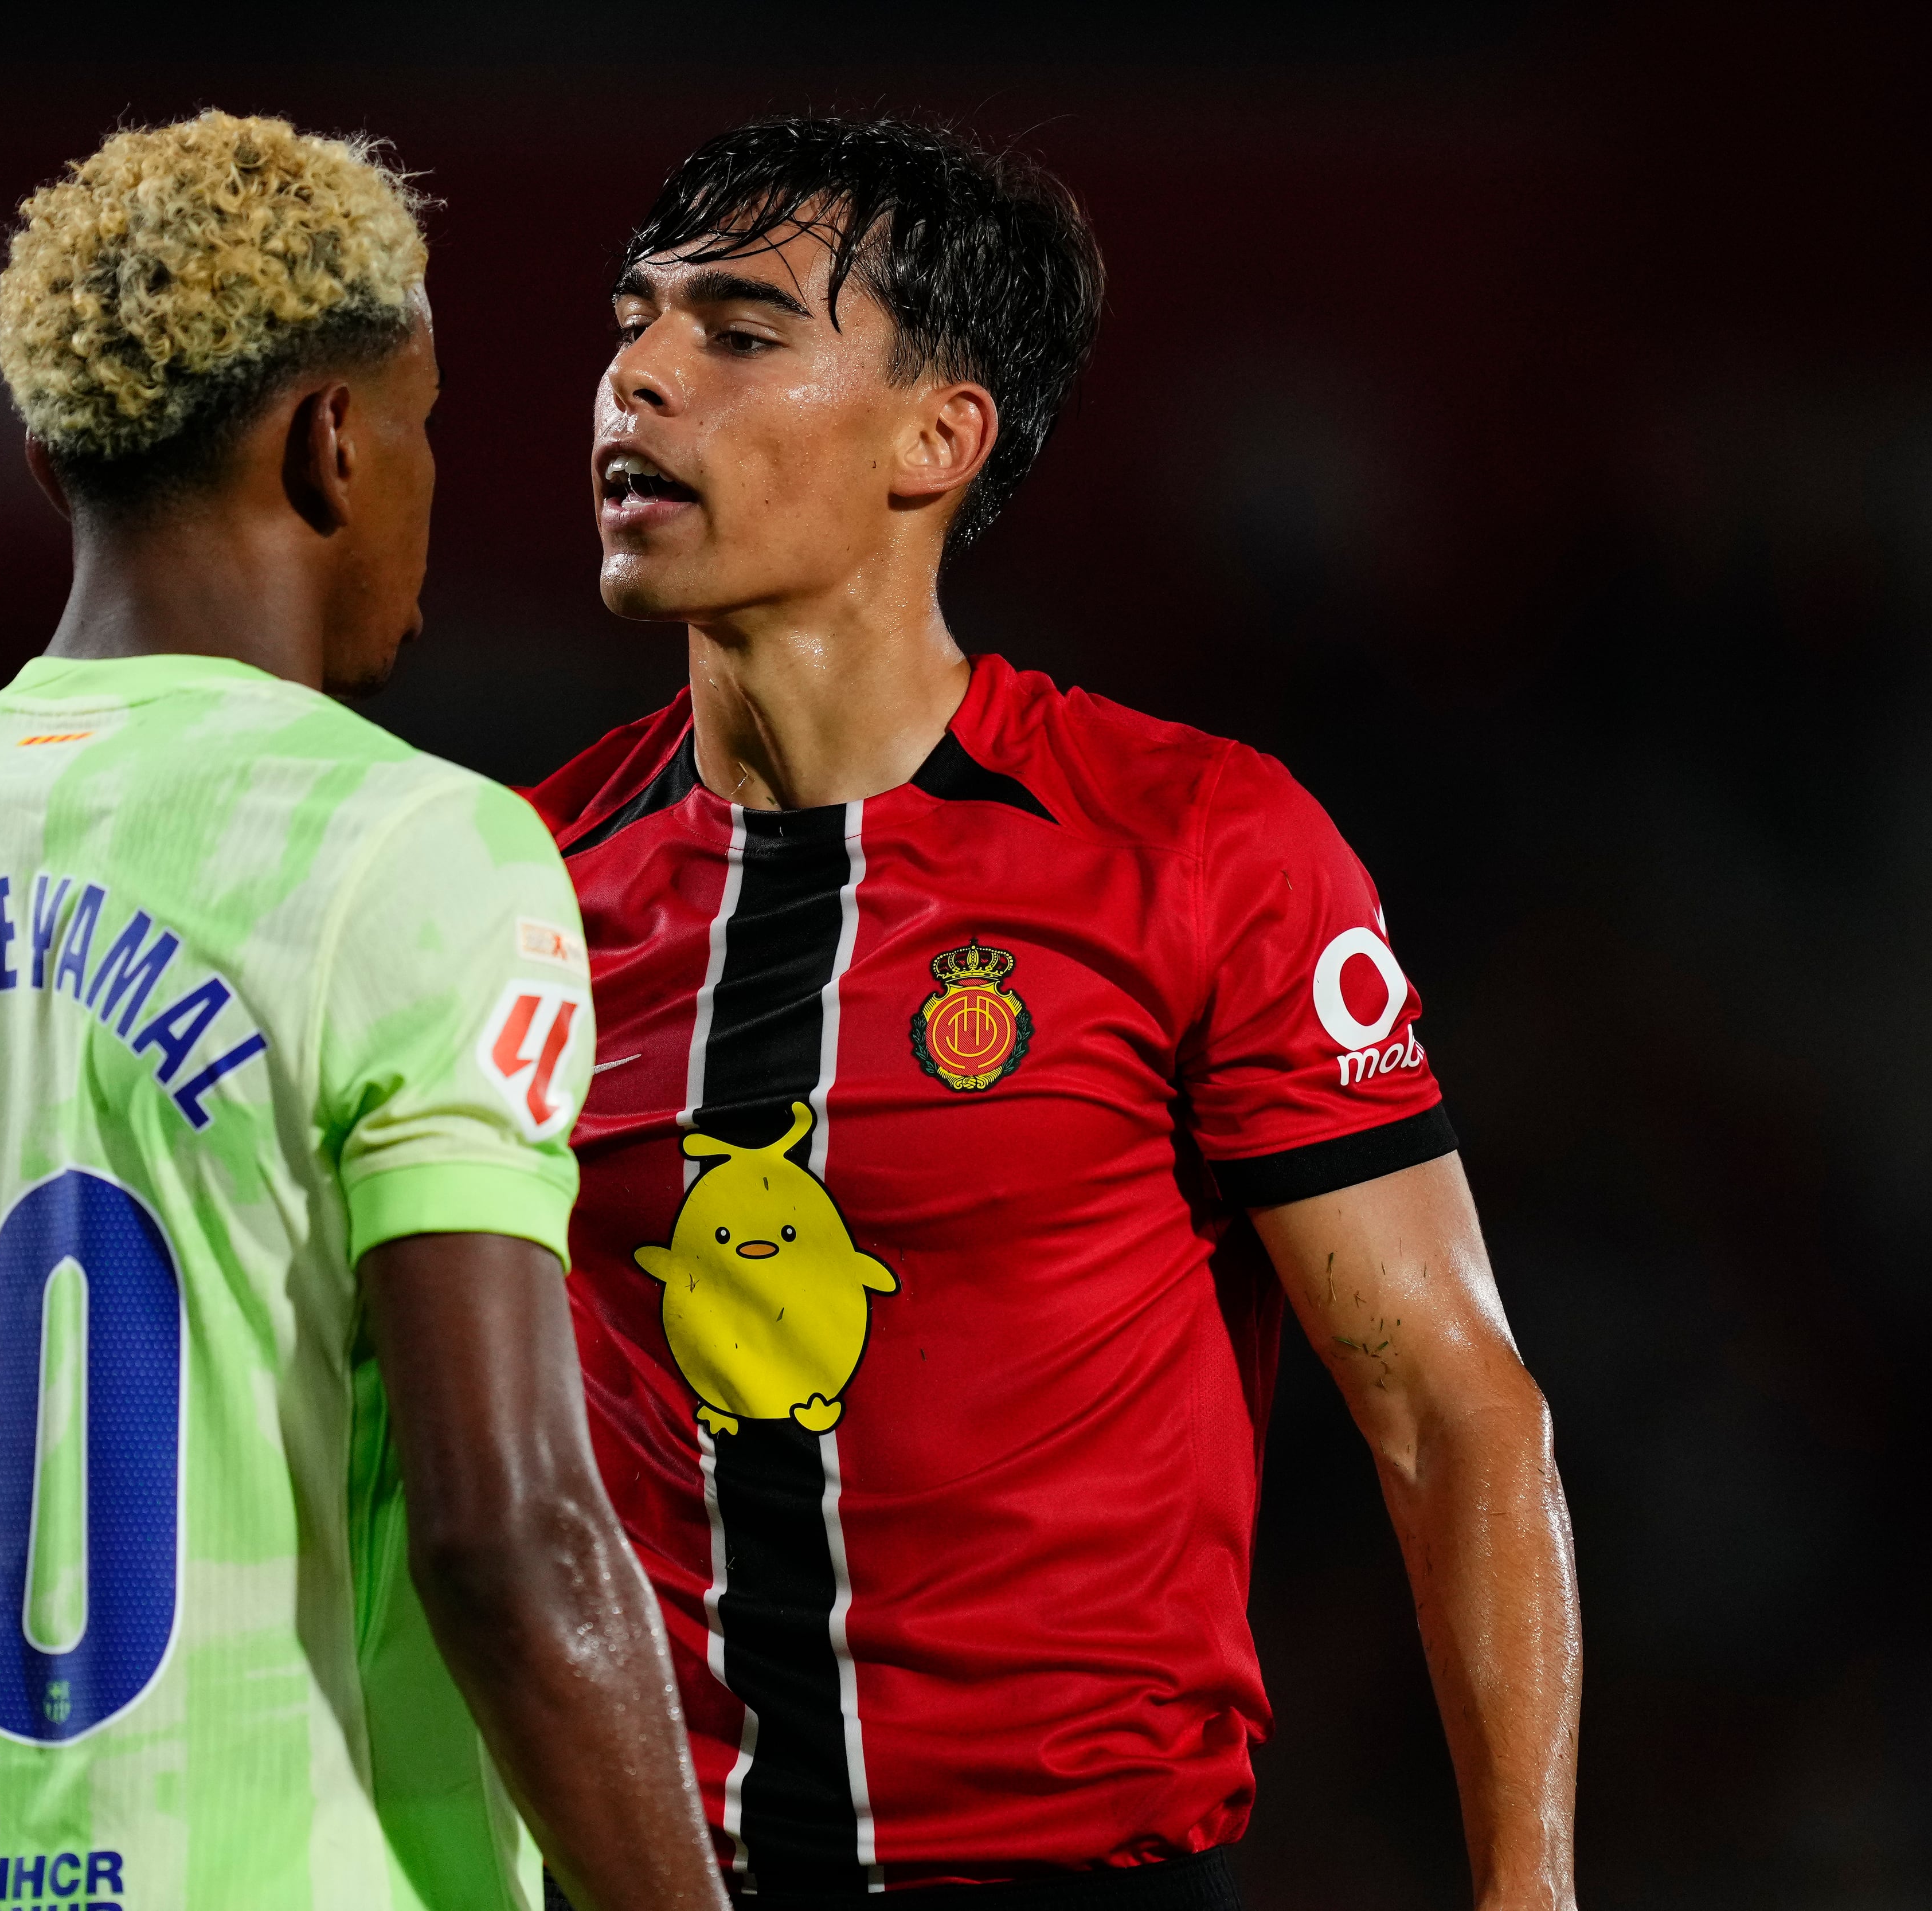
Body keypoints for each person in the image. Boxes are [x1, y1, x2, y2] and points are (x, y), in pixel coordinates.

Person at [527, 118, 1581, 1909]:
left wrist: (1528, 1888)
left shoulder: (1198, 846)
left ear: (938, 437)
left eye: (741, 329)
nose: (639, 374)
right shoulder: (522, 881)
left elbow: (1453, 1411)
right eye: (634, 321)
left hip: (1079, 1874)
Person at [0, 111, 726, 1911]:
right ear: (333, 442)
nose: (427, 482)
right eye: (424, 429)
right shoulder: (414, 852)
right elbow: (510, 1543)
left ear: (49, 464)